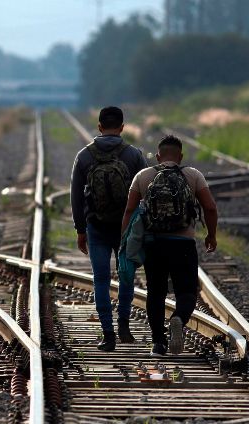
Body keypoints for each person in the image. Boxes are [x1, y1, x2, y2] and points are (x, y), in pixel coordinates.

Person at [121, 134, 218, 357]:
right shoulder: (193, 175)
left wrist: (124, 242)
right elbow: (210, 207)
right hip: (183, 244)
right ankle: (178, 318)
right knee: (187, 292)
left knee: (155, 292)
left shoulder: (143, 176)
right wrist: (211, 235)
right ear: (181, 156)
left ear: (157, 156)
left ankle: (158, 344)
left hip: (154, 244)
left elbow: (129, 211)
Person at [70, 106, 148, 351]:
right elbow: (147, 192)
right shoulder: (133, 155)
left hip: (96, 226)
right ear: (122, 127)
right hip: (127, 228)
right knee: (126, 276)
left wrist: (80, 229)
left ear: (100, 127)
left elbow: (76, 197)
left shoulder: (84, 156)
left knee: (101, 280)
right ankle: (124, 324)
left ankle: (108, 333)